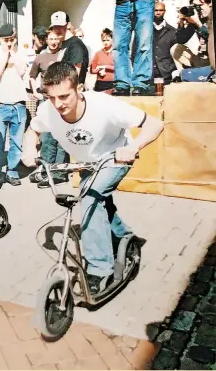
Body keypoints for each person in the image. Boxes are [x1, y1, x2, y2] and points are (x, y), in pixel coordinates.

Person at [23, 61, 164, 294]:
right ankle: (125, 237)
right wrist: (29, 149)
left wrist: (134, 147)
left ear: (79, 89)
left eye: (65, 96)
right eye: (52, 97)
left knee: (89, 198)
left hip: (114, 159)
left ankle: (100, 270)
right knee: (98, 200)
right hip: (87, 163)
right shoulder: (48, 110)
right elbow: (33, 130)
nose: (59, 104)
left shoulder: (105, 106)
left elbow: (155, 124)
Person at [0, 24, 30, 188]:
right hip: (0, 104)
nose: (9, 42)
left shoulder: (21, 52)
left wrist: (14, 52)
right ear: (0, 39)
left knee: (17, 142)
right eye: (6, 40)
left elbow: (21, 70)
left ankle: (12, 171)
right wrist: (6, 53)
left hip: (18, 103)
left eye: (11, 39)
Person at [28, 28, 70, 188]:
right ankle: (46, 171)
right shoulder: (40, 57)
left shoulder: (64, 55)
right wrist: (35, 91)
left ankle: (59, 173)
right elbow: (32, 76)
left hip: (62, 102)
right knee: (46, 137)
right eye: (50, 39)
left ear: (60, 39)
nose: (53, 41)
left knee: (61, 137)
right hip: (46, 102)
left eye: (56, 38)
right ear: (46, 40)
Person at [112, 0, 155, 96]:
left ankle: (141, 83)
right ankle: (122, 83)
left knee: (144, 43)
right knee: (118, 45)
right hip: (122, 1)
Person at [171, 0, 213, 82]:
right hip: (202, 58)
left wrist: (198, 24)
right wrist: (181, 25)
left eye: (200, 6)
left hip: (213, 59)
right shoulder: (196, 19)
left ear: (210, 4)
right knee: (175, 49)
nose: (198, 9)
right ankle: (184, 75)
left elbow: (212, 38)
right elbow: (180, 40)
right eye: (194, 6)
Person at [50, 12, 90, 86]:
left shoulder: (75, 44)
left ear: (68, 25)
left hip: (72, 92)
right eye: (55, 26)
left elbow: (75, 74)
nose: (57, 29)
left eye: (60, 26)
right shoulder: (65, 44)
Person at [153, 2, 178, 85]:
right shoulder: (145, 31)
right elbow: (135, 50)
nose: (158, 13)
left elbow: (176, 52)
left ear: (164, 11)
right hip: (148, 73)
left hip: (166, 74)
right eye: (155, 10)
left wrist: (172, 69)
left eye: (161, 10)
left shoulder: (173, 31)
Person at [90, 28, 115, 93]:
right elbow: (92, 70)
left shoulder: (116, 53)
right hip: (100, 83)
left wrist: (105, 66)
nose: (105, 42)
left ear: (112, 40)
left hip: (113, 83)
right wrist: (99, 71)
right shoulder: (98, 53)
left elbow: (119, 68)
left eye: (108, 40)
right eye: (103, 40)